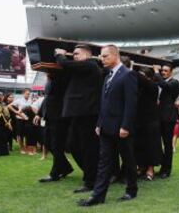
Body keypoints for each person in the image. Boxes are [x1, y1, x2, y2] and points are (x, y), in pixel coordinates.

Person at [78, 45, 138, 207]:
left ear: (115, 55)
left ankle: (132, 190)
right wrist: (99, 124)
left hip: (121, 129)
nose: (101, 59)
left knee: (128, 160)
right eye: (101, 57)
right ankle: (98, 196)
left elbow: (131, 104)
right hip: (106, 128)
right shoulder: (107, 76)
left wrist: (125, 126)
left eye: (105, 56)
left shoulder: (128, 75)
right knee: (104, 162)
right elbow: (104, 103)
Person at [55, 44, 102, 193]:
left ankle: (91, 181)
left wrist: (59, 54)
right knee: (73, 145)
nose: (73, 56)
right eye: (73, 54)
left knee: (88, 149)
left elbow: (64, 63)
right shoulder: (82, 68)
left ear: (87, 55)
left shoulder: (90, 65)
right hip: (79, 113)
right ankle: (93, 174)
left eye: (76, 54)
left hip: (88, 114)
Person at [35, 72, 74, 183]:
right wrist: (39, 113)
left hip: (59, 118)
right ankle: (66, 167)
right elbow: (46, 99)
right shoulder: (49, 81)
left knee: (56, 146)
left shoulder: (62, 79)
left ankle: (55, 174)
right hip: (49, 117)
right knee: (47, 143)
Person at [134, 67, 162, 181]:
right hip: (138, 121)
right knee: (139, 145)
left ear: (149, 77)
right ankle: (141, 167)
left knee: (151, 146)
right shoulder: (137, 88)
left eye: (142, 75)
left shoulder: (153, 86)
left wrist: (131, 69)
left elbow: (144, 80)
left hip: (151, 121)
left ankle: (150, 169)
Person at [153, 63, 179, 179]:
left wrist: (156, 72)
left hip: (168, 118)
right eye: (162, 71)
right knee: (158, 143)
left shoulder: (174, 82)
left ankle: (167, 170)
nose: (163, 72)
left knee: (168, 144)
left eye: (165, 71)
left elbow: (166, 86)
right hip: (158, 117)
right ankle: (162, 167)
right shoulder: (159, 82)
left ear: (171, 72)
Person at [9, 89, 31, 154]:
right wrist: (16, 112)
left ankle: (26, 148)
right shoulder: (19, 100)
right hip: (20, 119)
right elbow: (9, 106)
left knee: (27, 134)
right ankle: (21, 148)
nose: (28, 95)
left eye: (29, 94)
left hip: (28, 119)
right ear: (23, 93)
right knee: (20, 135)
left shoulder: (30, 100)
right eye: (27, 93)